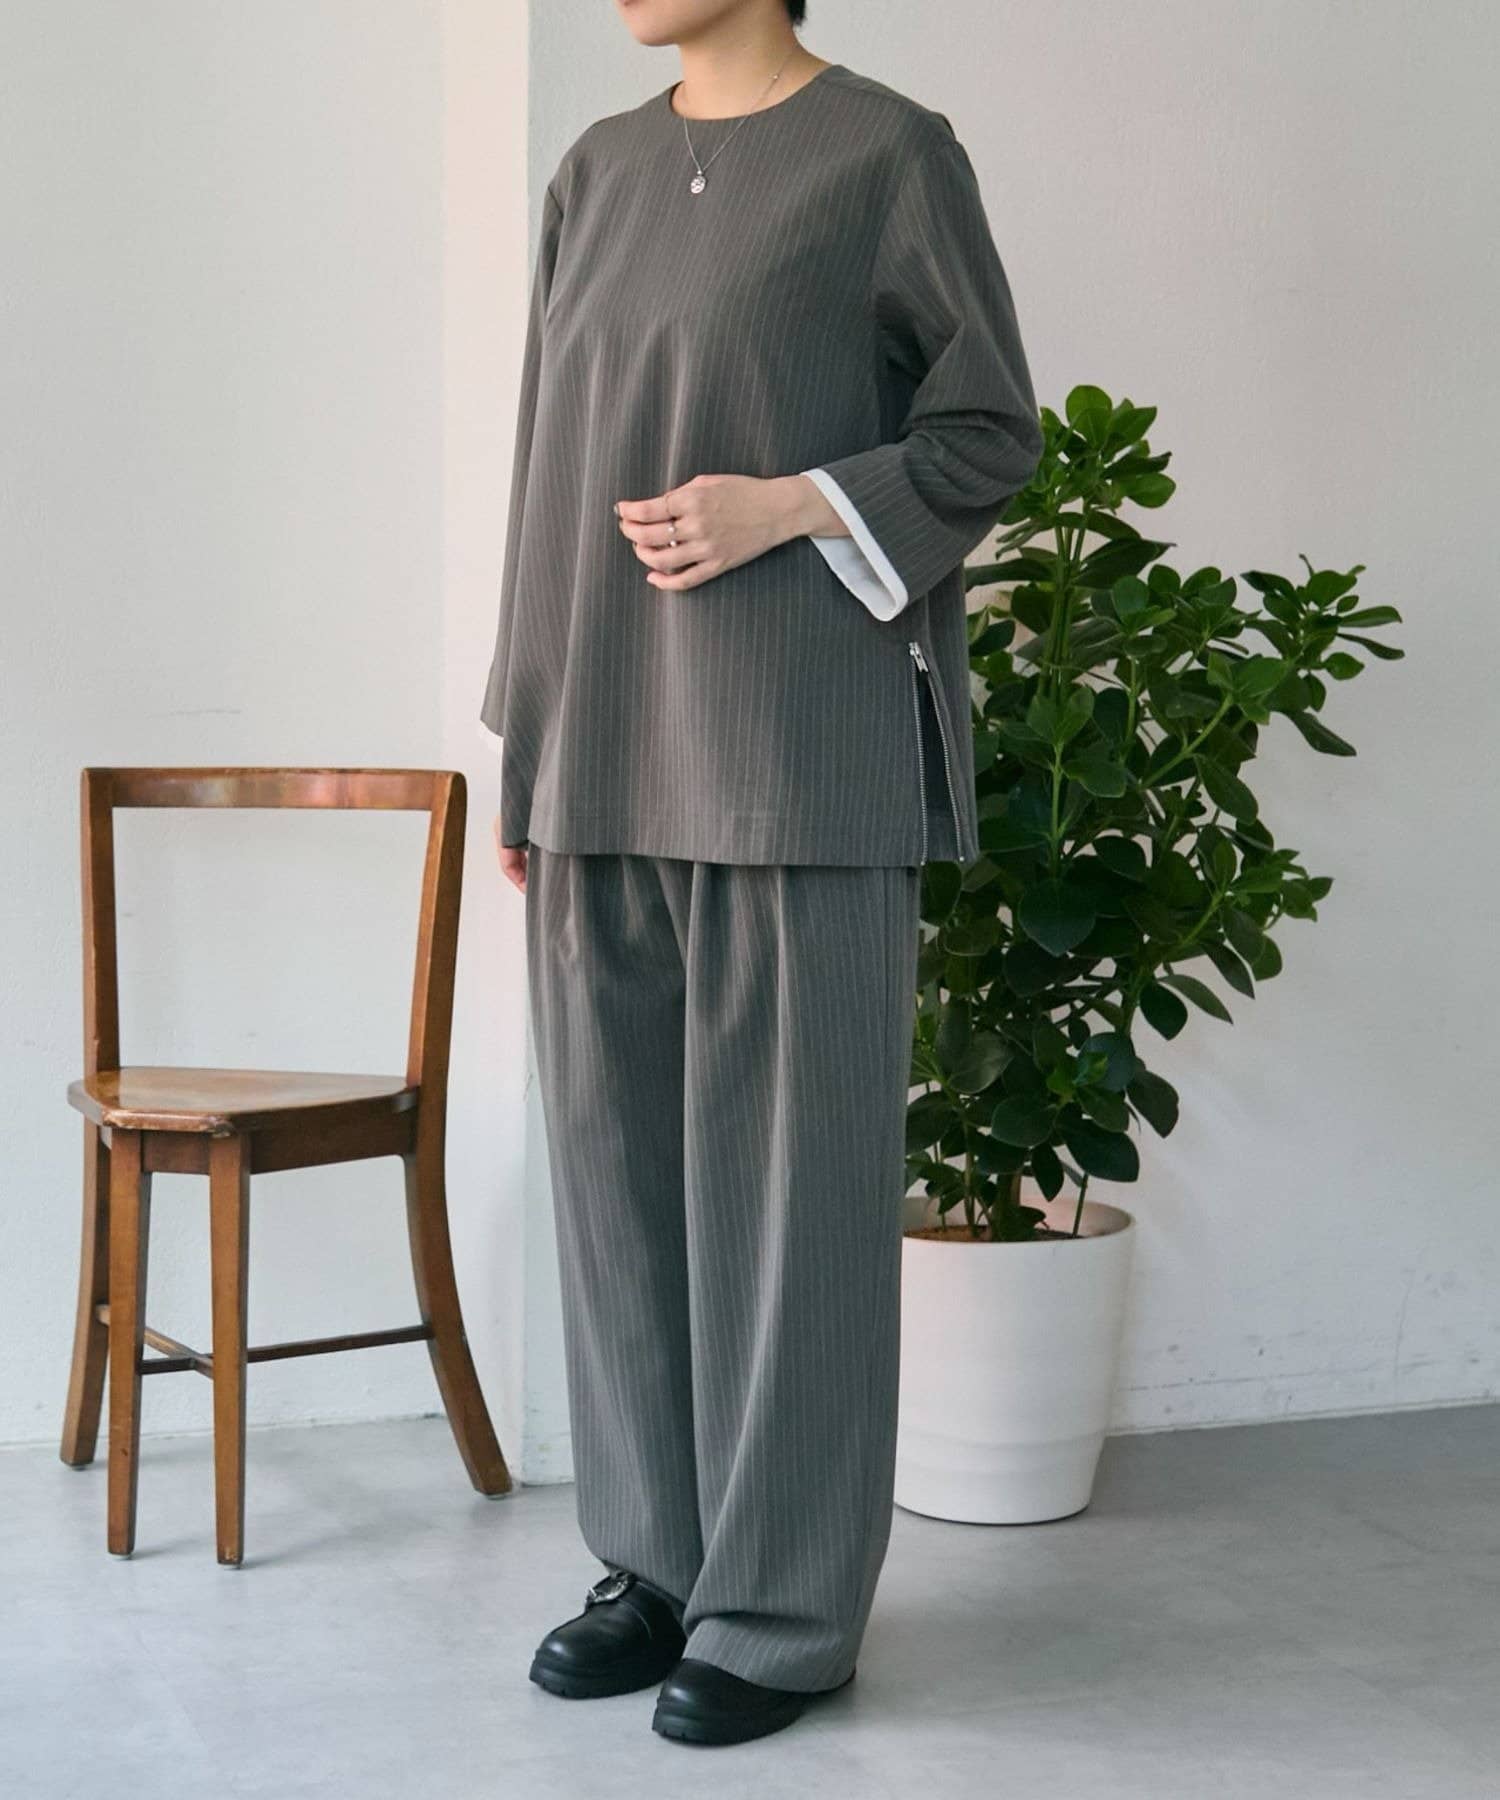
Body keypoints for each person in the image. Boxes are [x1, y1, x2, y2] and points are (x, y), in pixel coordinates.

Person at [479, 0, 1042, 1748]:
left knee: (795, 1201)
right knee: (616, 1182)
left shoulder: (889, 156)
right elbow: (546, 471)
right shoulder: (595, 172)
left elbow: (988, 432)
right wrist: (526, 738)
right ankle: (655, 1567)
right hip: (603, 744)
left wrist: (792, 500)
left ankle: (785, 1613)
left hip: (800, 753)